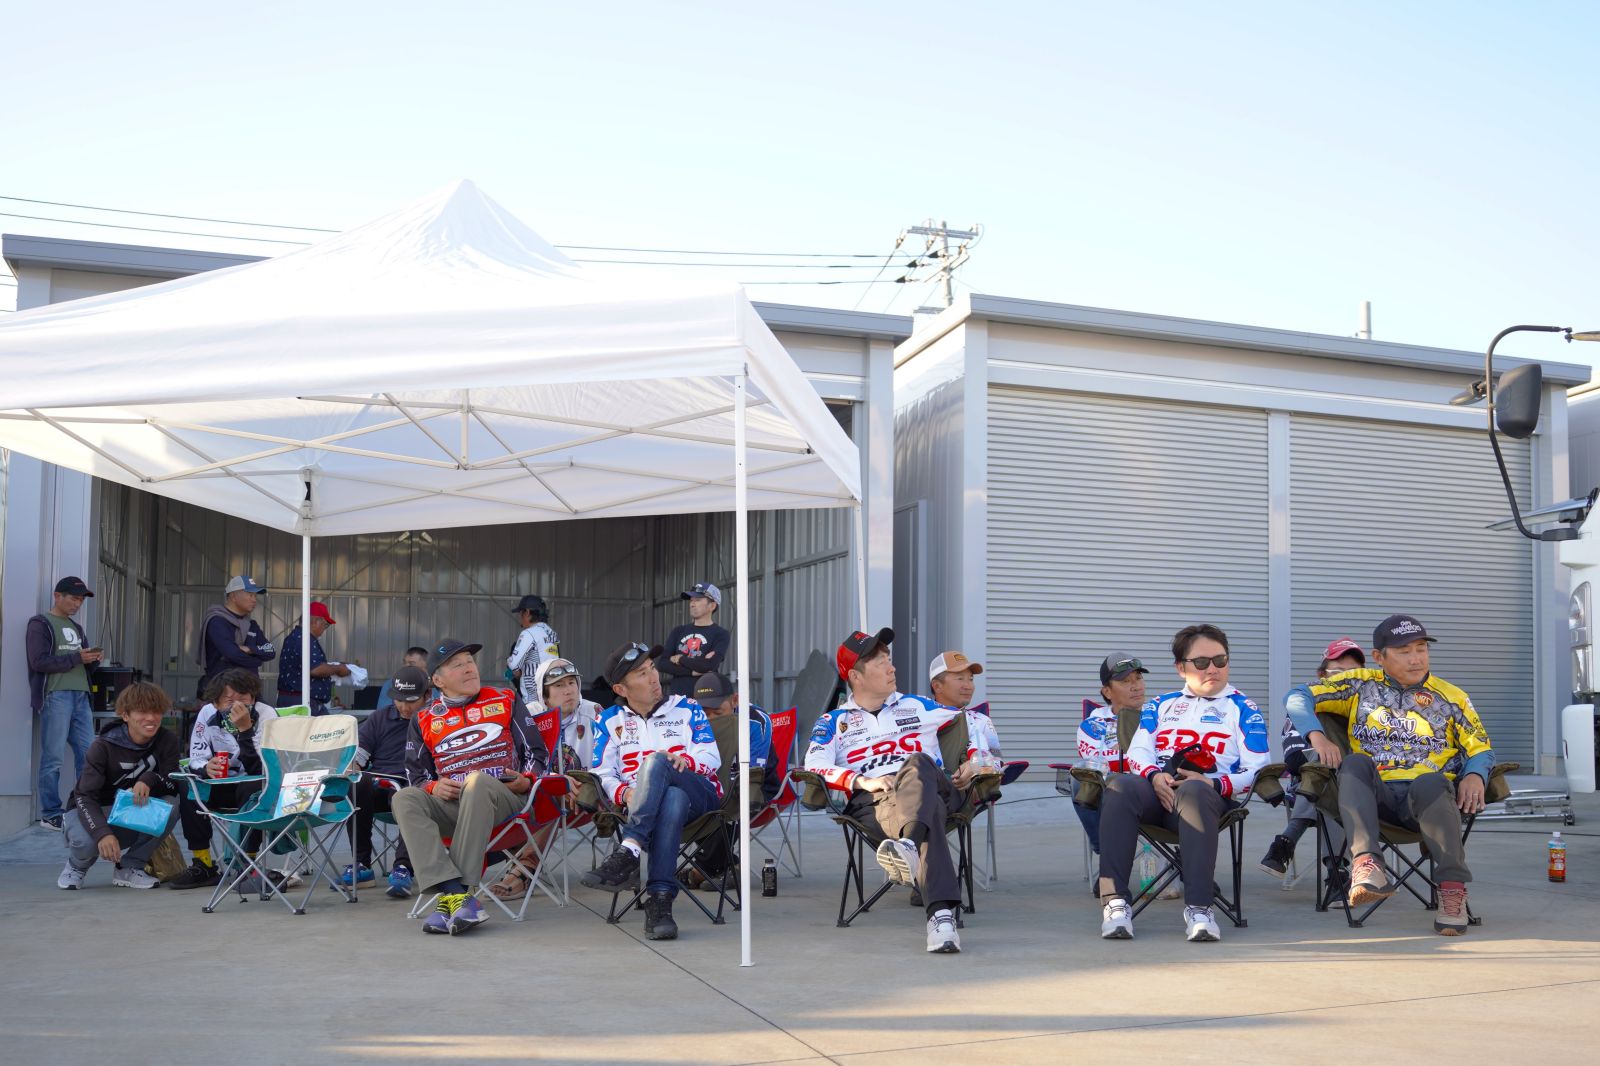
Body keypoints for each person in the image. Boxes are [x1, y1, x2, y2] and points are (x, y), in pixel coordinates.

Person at [1286, 614, 1493, 936]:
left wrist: (1476, 775)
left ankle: (1452, 892)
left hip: (1426, 803)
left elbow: (1480, 747)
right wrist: (1317, 736)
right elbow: (1298, 696)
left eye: (1421, 649)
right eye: (1404, 651)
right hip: (1373, 800)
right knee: (1355, 763)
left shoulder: (1452, 697)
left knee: (1432, 781)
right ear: (1379, 657)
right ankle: (1367, 864)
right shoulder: (1359, 685)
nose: (1416, 659)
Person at [804, 627, 986, 954]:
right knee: (928, 812)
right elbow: (814, 764)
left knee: (917, 763)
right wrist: (862, 781)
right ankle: (941, 917)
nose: (892, 668)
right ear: (855, 676)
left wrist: (975, 761)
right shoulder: (834, 722)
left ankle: (908, 847)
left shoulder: (917, 706)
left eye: (890, 660)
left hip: (933, 784)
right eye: (881, 663)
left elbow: (972, 724)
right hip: (877, 804)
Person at [1097, 624, 1269, 943]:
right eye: (1201, 662)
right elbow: (1138, 751)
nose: (1212, 669)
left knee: (1194, 789)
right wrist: (1154, 776)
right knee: (1119, 785)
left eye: (1220, 660)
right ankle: (1116, 903)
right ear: (1181, 668)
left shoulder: (1244, 708)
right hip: (1157, 795)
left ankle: (1200, 909)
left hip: (1209, 800)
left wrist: (1213, 783)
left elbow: (1258, 768)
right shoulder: (1160, 704)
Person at [391, 638, 549, 936]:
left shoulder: (505, 698)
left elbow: (538, 754)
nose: (469, 668)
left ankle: (456, 896)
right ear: (438, 681)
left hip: (505, 800)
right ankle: (456, 895)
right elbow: (416, 775)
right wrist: (433, 787)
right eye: (457, 665)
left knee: (477, 782)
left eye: (470, 661)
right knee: (404, 798)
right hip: (454, 805)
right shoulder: (424, 717)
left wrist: (526, 780)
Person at [580, 641, 722, 942]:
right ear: (621, 689)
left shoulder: (687, 708)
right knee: (671, 798)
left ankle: (629, 849)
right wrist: (624, 794)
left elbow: (711, 757)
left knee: (659, 762)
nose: (654, 677)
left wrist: (683, 762)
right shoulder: (608, 720)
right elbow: (602, 773)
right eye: (642, 674)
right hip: (654, 806)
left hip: (700, 798)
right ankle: (659, 903)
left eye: (652, 668)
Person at [485, 656, 602, 901]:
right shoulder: (529, 715)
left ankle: (523, 869)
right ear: (543, 694)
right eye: (558, 685)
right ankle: (485, 860)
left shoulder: (594, 713)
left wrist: (572, 782)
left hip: (586, 794)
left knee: (552, 795)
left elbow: (609, 760)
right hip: (536, 791)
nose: (568, 690)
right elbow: (516, 761)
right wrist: (556, 780)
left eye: (572, 683)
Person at [57, 681, 184, 891]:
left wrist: (150, 779)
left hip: (130, 810)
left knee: (171, 805)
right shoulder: (103, 746)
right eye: (142, 712)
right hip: (92, 809)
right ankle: (76, 866)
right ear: (125, 715)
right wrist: (102, 833)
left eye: (156, 711)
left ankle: (130, 867)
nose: (151, 718)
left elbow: (174, 783)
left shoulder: (166, 740)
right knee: (86, 843)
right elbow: (84, 796)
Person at [1259, 638, 1365, 877]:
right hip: (1309, 783)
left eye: (1353, 673)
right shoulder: (1306, 706)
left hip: (1363, 786)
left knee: (1333, 780)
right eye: (1338, 672)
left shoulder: (1374, 710)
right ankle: (1337, 872)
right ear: (1322, 676)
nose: (1345, 679)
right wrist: (1321, 743)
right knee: (1327, 779)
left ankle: (1287, 840)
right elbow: (1295, 761)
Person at [168, 668, 282, 890]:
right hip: (220, 785)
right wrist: (205, 768)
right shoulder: (207, 713)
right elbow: (196, 758)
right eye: (229, 700)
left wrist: (245, 730)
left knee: (253, 785)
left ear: (253, 697)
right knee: (189, 785)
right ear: (216, 703)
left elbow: (262, 769)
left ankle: (246, 864)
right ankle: (203, 863)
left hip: (255, 786)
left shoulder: (267, 715)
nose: (236, 705)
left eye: (243, 698)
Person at [682, 671, 776, 888]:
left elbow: (755, 770)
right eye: (705, 714)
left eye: (718, 712)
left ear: (735, 700)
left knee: (727, 805)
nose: (712, 719)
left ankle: (704, 870)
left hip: (755, 784)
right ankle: (726, 867)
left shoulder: (756, 720)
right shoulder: (689, 718)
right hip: (712, 782)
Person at [344, 664, 429, 897]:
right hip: (380, 784)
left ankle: (403, 868)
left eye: (411, 701)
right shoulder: (380, 718)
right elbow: (358, 757)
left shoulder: (436, 719)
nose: (404, 707)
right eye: (399, 700)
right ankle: (361, 864)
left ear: (427, 696)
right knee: (355, 784)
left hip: (415, 784)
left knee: (409, 794)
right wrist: (351, 770)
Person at [28, 576, 101, 831]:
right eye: (74, 598)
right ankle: (50, 813)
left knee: (89, 756)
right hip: (56, 695)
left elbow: (83, 665)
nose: (77, 604)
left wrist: (93, 659)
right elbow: (38, 661)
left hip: (81, 696)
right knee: (53, 757)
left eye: (81, 600)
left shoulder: (76, 627)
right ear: (57, 596)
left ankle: (85, 808)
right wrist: (77, 658)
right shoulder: (40, 624)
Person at [1074, 652, 1150, 854]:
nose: (1136, 686)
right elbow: (1095, 763)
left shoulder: (1160, 714)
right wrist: (1143, 750)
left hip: (1155, 788)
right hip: (1113, 792)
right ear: (1107, 692)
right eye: (1126, 681)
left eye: (1138, 678)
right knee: (1083, 776)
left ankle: (1186, 860)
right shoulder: (1094, 724)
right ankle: (1107, 850)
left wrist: (1123, 750)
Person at [195, 575, 275, 699]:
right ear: (233, 596)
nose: (254, 600)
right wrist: (256, 661)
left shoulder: (251, 625)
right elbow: (232, 654)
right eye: (250, 595)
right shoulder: (217, 621)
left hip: (249, 691)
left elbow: (271, 651)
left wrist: (250, 649)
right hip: (224, 694)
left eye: (255, 596)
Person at [275, 601, 350, 715]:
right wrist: (338, 669)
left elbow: (311, 664)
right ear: (315, 621)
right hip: (301, 701)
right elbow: (315, 668)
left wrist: (335, 665)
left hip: (305, 700)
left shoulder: (299, 637)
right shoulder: (303, 638)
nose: (325, 628)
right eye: (325, 624)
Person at [658, 581, 731, 699]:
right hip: (678, 699)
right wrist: (692, 671)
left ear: (712, 606)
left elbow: (710, 665)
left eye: (697, 600)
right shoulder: (678, 631)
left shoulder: (721, 634)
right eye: (691, 600)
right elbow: (663, 664)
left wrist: (679, 659)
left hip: (707, 699)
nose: (692, 604)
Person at [928, 650, 999, 756]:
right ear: (937, 686)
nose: (968, 686)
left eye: (971, 679)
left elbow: (996, 761)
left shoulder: (981, 722)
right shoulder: (919, 719)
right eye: (960, 678)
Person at [507, 595, 560, 705]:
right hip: (551, 696)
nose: (520, 618)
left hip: (533, 699)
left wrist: (509, 662)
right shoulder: (551, 633)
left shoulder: (528, 633)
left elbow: (513, 665)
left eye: (520, 613)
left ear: (527, 612)